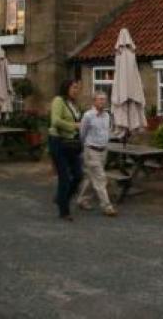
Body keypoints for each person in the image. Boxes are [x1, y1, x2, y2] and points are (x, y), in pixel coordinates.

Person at [76, 91, 117, 217]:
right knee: (100, 178)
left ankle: (82, 199)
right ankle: (107, 206)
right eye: (100, 99)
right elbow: (82, 133)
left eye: (104, 99)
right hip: (91, 150)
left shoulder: (107, 116)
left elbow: (107, 131)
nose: (103, 102)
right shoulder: (88, 116)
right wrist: (87, 146)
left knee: (90, 177)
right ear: (94, 101)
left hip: (103, 150)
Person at [48, 79, 83, 221]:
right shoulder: (58, 101)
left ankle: (61, 198)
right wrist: (74, 126)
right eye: (74, 87)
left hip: (72, 143)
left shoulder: (74, 104)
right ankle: (64, 211)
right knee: (64, 177)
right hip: (58, 142)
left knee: (79, 175)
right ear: (66, 87)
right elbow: (55, 121)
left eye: (78, 88)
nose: (76, 90)